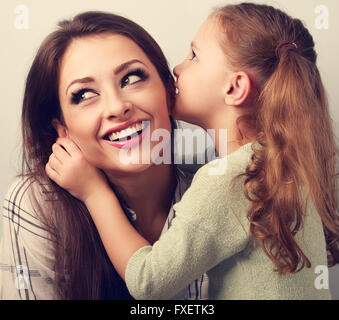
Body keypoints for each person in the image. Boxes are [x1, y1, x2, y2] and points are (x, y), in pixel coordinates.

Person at [46, 3, 339, 299]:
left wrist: (94, 193)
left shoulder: (226, 181)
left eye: (193, 56)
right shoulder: (288, 167)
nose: (177, 67)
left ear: (234, 88)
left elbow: (147, 280)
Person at [0, 11, 209, 300]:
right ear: (62, 128)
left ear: (169, 91)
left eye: (131, 78)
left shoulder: (223, 188)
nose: (116, 106)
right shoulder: (37, 205)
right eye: (84, 95)